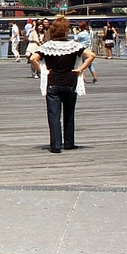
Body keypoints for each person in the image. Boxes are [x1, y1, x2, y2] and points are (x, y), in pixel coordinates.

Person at [29, 16, 95, 154]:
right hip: (70, 81)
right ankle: (69, 142)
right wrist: (80, 69)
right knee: (69, 113)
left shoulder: (47, 46)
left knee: (54, 116)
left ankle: (56, 145)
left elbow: (33, 58)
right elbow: (91, 55)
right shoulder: (74, 46)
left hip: (53, 83)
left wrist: (43, 71)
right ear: (66, 31)